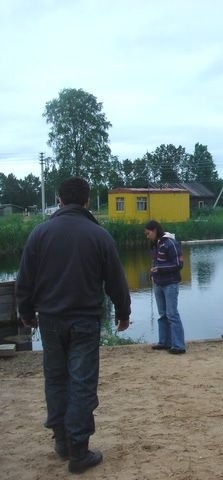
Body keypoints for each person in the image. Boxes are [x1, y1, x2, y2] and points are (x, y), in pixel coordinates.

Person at [15, 176, 131, 474]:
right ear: (88, 201)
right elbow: (116, 280)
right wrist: (123, 311)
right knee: (81, 382)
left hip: (50, 320)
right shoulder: (99, 235)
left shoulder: (40, 234)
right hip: (85, 321)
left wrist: (26, 312)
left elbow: (25, 278)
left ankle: (62, 441)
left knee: (55, 378)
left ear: (59, 200)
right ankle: (79, 450)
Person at [143, 220, 186, 354]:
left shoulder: (170, 243)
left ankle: (179, 345)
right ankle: (165, 342)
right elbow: (157, 264)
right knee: (162, 314)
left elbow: (179, 264)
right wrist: (154, 272)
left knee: (172, 314)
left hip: (170, 284)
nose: (147, 236)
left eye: (148, 233)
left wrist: (159, 269)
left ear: (155, 230)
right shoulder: (155, 244)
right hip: (158, 283)